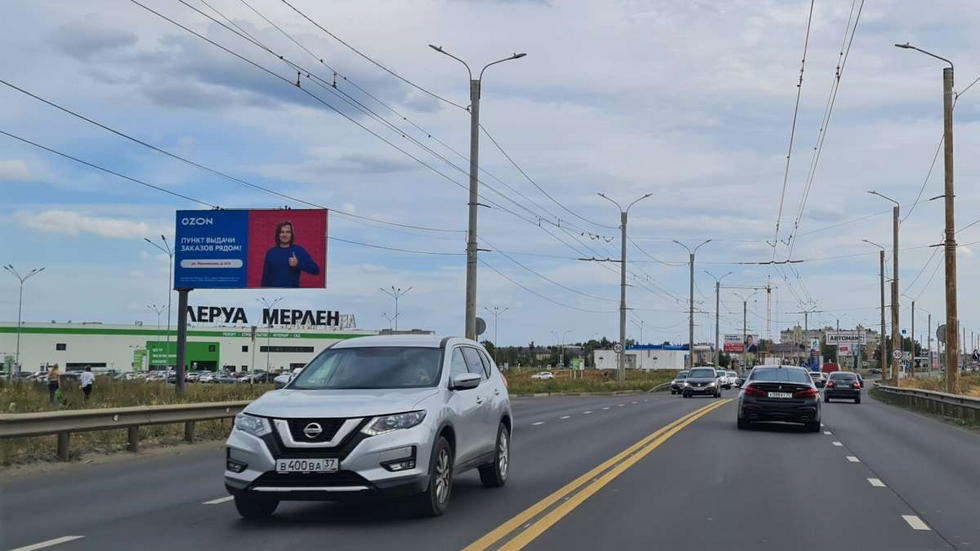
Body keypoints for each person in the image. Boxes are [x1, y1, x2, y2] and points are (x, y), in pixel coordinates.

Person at [260, 221, 320, 288]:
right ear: (278, 234)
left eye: (288, 232)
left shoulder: (298, 250)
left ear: (292, 235)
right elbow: (265, 279)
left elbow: (316, 270)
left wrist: (298, 264)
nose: (285, 235)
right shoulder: (270, 253)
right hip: (274, 294)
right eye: (282, 232)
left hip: (292, 294)